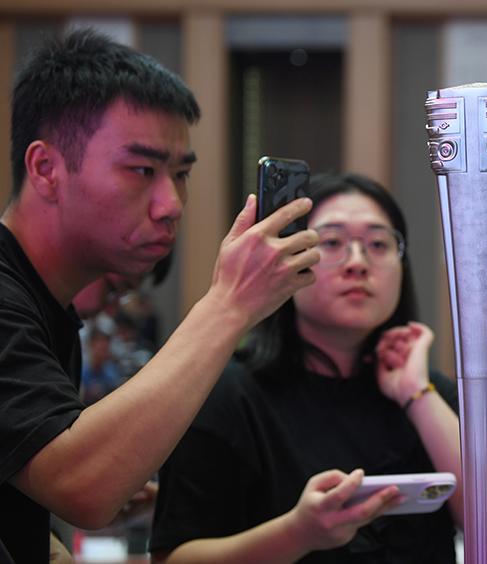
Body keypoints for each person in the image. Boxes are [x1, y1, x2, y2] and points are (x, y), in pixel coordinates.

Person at [0, 28, 359, 563]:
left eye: (181, 173)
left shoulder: (47, 308)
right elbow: (82, 490)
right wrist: (229, 305)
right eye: (142, 170)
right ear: (46, 169)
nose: (171, 204)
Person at [150, 173, 463, 563]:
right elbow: (171, 558)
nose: (357, 263)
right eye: (331, 242)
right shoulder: (224, 395)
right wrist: (297, 534)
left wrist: (417, 395)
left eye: (378, 244)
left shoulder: (427, 393)